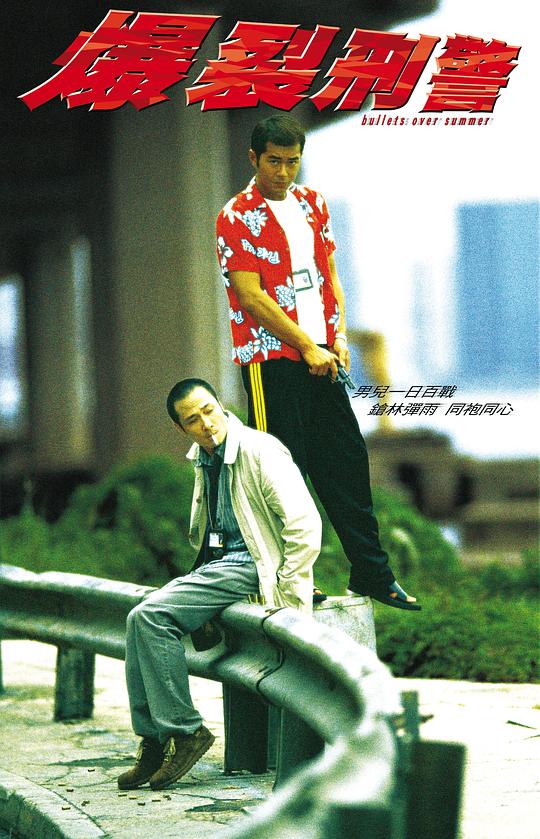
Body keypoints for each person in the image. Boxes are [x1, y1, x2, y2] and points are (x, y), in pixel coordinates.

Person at [216, 115, 419, 612]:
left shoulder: (313, 205)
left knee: (346, 460)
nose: (283, 172)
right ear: (254, 158)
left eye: (292, 162)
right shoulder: (236, 216)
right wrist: (306, 344)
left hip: (324, 356)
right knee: (281, 472)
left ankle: (371, 573)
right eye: (273, 162)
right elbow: (250, 296)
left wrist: (338, 336)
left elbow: (330, 276)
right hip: (272, 360)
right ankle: (289, 580)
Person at [118, 378, 321, 792]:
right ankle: (154, 741)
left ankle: (186, 731)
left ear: (221, 405)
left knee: (153, 615)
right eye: (193, 420)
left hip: (252, 565)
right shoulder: (204, 457)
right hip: (221, 564)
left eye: (209, 410)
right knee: (139, 618)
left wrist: (286, 589)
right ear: (180, 428)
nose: (206, 424)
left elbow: (304, 527)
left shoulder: (260, 451)